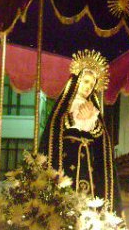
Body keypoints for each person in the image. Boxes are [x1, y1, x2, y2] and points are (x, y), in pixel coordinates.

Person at [40, 49, 122, 215]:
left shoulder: (93, 109)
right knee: (69, 192)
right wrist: (74, 118)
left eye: (92, 85)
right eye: (85, 81)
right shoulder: (65, 105)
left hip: (88, 161)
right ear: (77, 81)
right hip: (68, 157)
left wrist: (93, 124)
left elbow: (101, 138)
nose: (88, 87)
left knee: (89, 194)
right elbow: (55, 129)